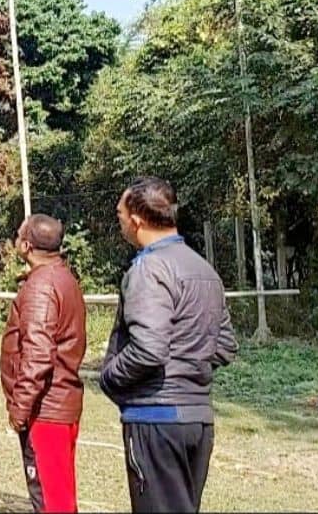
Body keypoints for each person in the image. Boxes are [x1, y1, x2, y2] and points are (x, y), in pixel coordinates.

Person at [100, 177, 238, 513]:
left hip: (155, 420)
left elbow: (149, 348)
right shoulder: (204, 270)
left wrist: (109, 377)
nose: (119, 222)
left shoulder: (149, 269)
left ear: (136, 219)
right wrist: (188, 367)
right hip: (198, 421)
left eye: (119, 215)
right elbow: (224, 345)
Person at [1, 214, 87, 513]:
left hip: (46, 410)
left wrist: (19, 409)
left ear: (26, 245)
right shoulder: (63, 276)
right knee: (59, 496)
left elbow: (38, 355)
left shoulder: (42, 286)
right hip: (59, 404)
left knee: (52, 502)